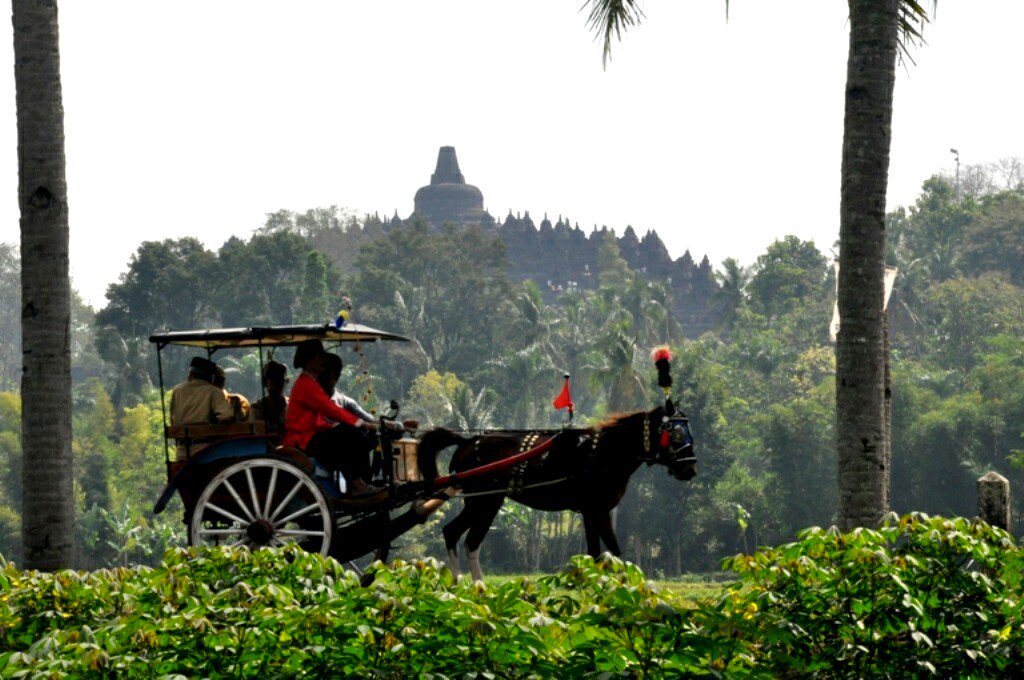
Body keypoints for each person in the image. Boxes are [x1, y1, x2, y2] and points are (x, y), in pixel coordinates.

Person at [283, 339, 383, 498]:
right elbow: (330, 409)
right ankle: (357, 485)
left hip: (310, 436)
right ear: (310, 360)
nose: (323, 360)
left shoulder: (310, 382)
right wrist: (359, 422)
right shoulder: (305, 384)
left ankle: (362, 482)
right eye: (319, 356)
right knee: (352, 435)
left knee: (357, 436)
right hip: (302, 440)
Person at [169, 356, 235, 460]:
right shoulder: (213, 391)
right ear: (211, 377)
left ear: (191, 374)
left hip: (182, 450)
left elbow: (172, 419)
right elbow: (226, 416)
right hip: (204, 449)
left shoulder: (177, 391)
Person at [249, 360, 288, 435]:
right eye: (272, 380)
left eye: (279, 379)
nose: (275, 384)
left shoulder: (290, 407)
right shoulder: (257, 410)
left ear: (284, 382)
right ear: (265, 383)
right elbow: (258, 436)